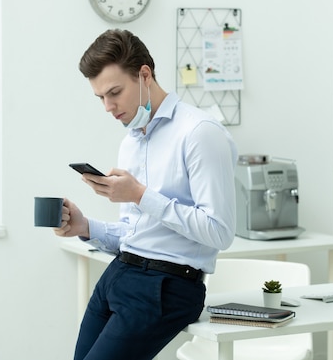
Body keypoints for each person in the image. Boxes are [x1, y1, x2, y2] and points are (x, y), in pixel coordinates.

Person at [54, 29, 238, 360]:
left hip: (167, 286)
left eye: (115, 92)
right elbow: (138, 233)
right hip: (119, 274)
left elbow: (220, 231)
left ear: (144, 74)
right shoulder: (132, 142)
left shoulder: (200, 133)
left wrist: (139, 194)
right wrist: (85, 227)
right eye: (100, 98)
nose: (108, 107)